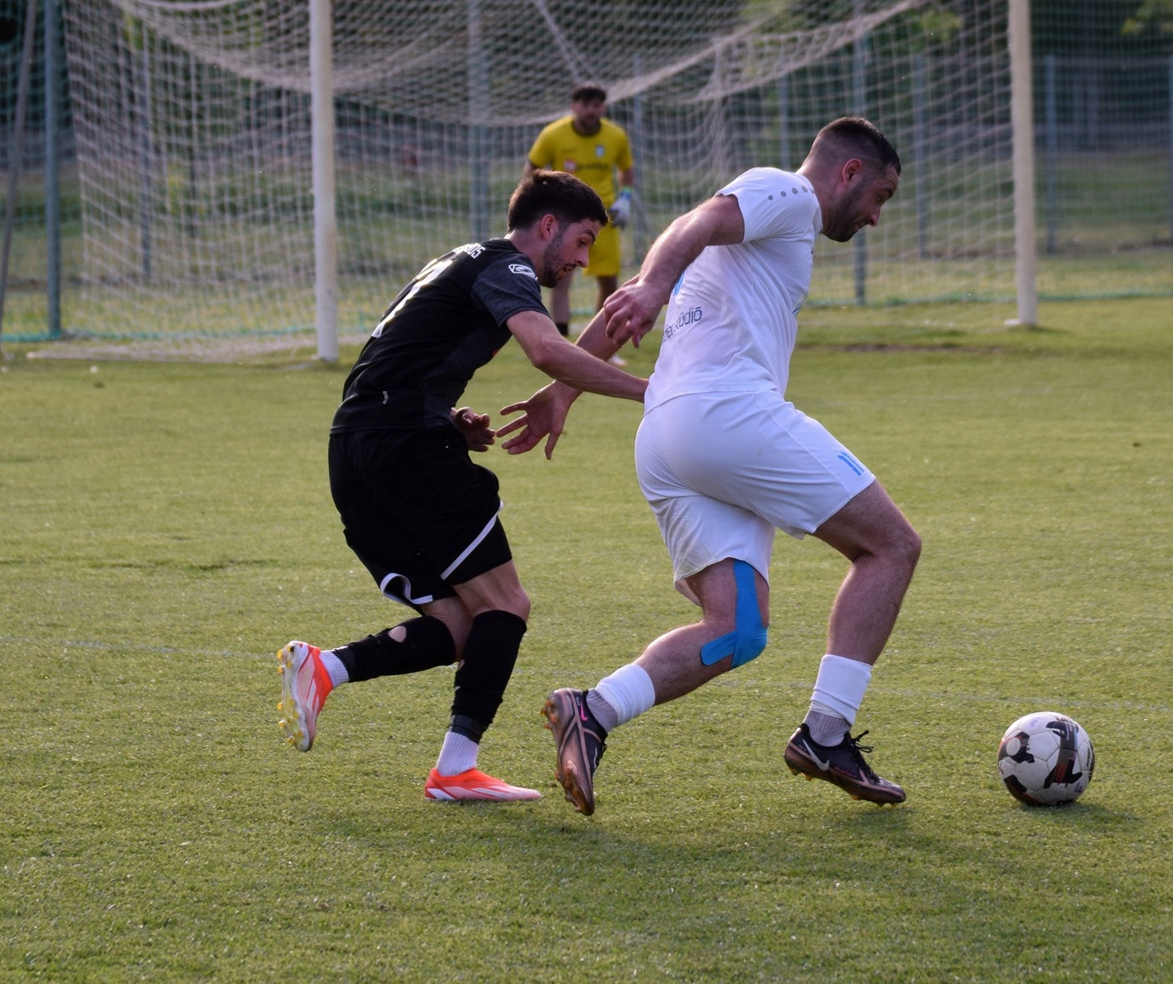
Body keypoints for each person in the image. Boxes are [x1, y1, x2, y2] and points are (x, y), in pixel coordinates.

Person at [500, 117, 922, 816]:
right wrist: (655, 286)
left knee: (736, 630)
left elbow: (655, 269)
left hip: (667, 433)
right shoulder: (788, 192)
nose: (876, 216)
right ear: (849, 172)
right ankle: (825, 734)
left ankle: (592, 711)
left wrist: (564, 388)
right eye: (881, 196)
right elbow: (692, 225)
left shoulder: (767, 225)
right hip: (728, 415)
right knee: (893, 546)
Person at [277, 170, 647, 803]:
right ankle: (455, 770)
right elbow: (546, 350)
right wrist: (654, 391)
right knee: (506, 605)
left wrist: (447, 417)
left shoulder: (455, 260)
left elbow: (386, 363)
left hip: (357, 448)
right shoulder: (510, 268)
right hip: (407, 450)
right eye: (582, 241)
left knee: (460, 624)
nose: (584, 262)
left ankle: (325, 668)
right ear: (548, 226)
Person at [523, 84, 635, 348]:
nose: (591, 111)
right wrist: (540, 200)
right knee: (560, 278)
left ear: (603, 107)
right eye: (585, 105)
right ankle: (561, 345)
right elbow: (531, 169)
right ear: (574, 106)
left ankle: (601, 346)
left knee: (609, 281)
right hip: (565, 219)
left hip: (604, 218)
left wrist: (626, 198)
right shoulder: (553, 135)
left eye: (596, 105)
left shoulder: (616, 136)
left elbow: (626, 170)